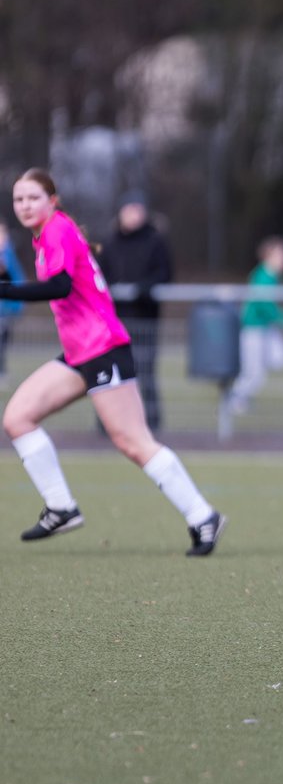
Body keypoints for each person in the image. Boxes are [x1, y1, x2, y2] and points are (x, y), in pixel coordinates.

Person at [2, 169, 226, 555]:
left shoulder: (56, 229)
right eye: (18, 199)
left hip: (103, 349)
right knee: (17, 418)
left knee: (133, 442)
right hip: (79, 353)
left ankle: (203, 516)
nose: (24, 205)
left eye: (33, 198)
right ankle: (61, 507)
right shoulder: (47, 235)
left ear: (52, 200)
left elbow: (59, 286)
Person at [97, 195, 173, 431]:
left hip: (144, 319)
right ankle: (107, 424)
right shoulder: (109, 242)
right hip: (114, 319)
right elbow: (98, 274)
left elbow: (164, 273)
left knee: (144, 370)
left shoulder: (155, 242)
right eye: (129, 210)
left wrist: (143, 288)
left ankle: (150, 423)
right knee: (110, 371)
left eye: (137, 210)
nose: (133, 215)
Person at [228, 236, 283, 415]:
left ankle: (238, 397)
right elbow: (264, 304)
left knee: (278, 359)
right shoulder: (263, 275)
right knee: (254, 373)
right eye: (281, 254)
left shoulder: (272, 276)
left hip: (265, 328)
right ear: (269, 255)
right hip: (253, 328)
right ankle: (235, 398)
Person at [0, 221, 25, 385]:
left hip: (6, 308)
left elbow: (17, 281)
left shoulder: (9, 255)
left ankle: (1, 372)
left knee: (3, 341)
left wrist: (17, 305)